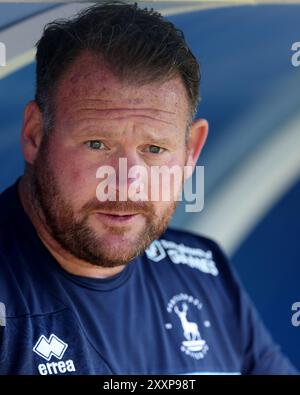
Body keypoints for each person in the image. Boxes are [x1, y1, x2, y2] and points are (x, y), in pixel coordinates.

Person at [0, 1, 297, 375]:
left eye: (154, 149)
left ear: (191, 151)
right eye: (97, 144)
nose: (126, 183)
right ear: (35, 134)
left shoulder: (203, 274)